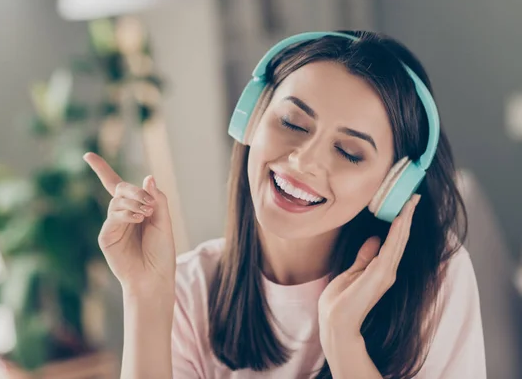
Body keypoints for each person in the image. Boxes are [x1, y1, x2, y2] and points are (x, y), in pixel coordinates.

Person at [84, 30, 486, 378]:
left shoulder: (435, 280)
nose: (303, 161)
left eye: (348, 151)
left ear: (391, 187)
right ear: (252, 119)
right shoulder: (188, 289)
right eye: (292, 123)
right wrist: (145, 296)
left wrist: (343, 340)